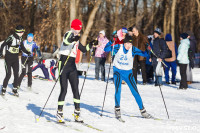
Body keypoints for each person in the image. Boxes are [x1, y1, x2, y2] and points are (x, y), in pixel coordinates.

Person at [56, 19, 97, 123]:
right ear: (73, 27)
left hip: (72, 66)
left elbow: (83, 49)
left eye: (79, 29)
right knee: (64, 89)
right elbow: (66, 41)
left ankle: (77, 113)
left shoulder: (77, 38)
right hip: (64, 64)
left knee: (76, 89)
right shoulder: (68, 33)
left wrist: (91, 44)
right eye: (77, 28)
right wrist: (74, 38)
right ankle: (59, 113)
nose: (78, 30)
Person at [104, 35, 152, 121]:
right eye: (127, 43)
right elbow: (106, 49)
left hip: (128, 73)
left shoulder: (133, 49)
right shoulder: (118, 47)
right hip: (118, 71)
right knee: (118, 90)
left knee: (135, 92)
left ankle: (143, 111)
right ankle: (117, 109)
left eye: (130, 43)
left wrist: (147, 49)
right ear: (124, 42)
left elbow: (144, 54)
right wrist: (111, 41)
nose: (128, 45)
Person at [0, 25, 31, 96]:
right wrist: (0, 53)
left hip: (15, 59)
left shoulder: (20, 38)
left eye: (23, 32)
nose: (23, 33)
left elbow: (22, 47)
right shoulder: (11, 37)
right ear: (18, 32)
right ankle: (4, 88)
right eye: (21, 32)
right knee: (8, 74)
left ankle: (15, 89)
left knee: (16, 74)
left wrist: (27, 52)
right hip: (8, 58)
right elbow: (3, 45)